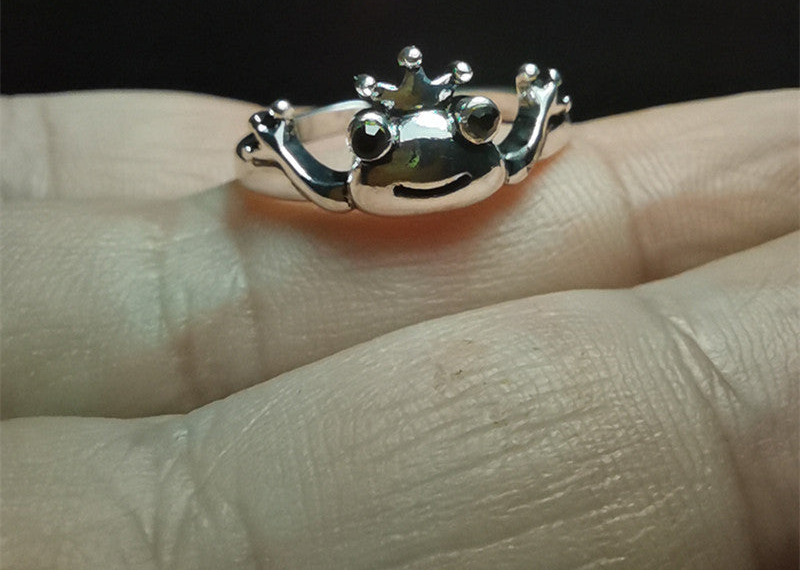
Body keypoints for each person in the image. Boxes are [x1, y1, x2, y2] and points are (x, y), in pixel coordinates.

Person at [1, 88, 797, 569]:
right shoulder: (341, 181)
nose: (430, 158)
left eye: (478, 121)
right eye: (373, 141)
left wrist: (531, 109)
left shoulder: (481, 151)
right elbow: (296, 170)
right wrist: (279, 143)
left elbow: (522, 142)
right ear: (365, 145)